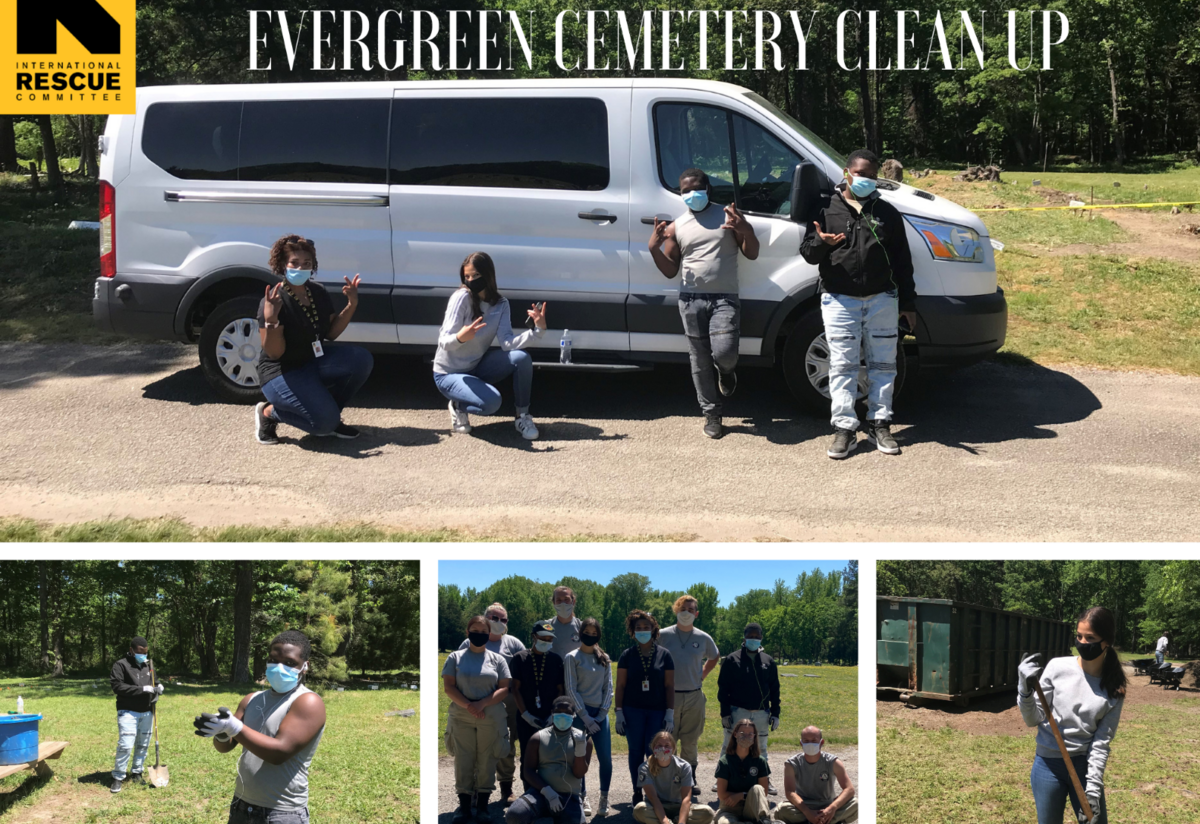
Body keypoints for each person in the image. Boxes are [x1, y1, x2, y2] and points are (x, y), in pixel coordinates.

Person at [798, 149, 917, 459]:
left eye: (871, 175)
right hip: (839, 300)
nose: (866, 179)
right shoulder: (825, 209)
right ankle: (845, 430)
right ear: (847, 173)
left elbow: (903, 262)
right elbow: (808, 253)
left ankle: (880, 423)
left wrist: (909, 303)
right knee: (842, 366)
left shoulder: (886, 212)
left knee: (883, 365)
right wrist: (820, 244)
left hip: (882, 300)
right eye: (861, 173)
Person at [648, 168, 760, 439]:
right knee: (698, 360)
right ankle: (712, 414)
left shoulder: (728, 215)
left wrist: (745, 229)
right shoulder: (677, 226)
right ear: (680, 193)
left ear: (708, 189)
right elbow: (670, 270)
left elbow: (752, 253)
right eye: (685, 190)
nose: (691, 194)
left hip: (725, 299)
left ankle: (727, 371)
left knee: (724, 353)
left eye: (696, 188)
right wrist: (653, 248)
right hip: (690, 301)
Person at [254, 233, 374, 445]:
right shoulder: (273, 299)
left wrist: (352, 304)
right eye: (294, 263)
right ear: (283, 264)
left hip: (310, 362)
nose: (300, 268)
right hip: (281, 373)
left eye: (306, 263)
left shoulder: (317, 292)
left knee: (360, 359)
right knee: (322, 426)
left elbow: (331, 333)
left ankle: (329, 415)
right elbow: (275, 353)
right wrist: (271, 318)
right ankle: (270, 412)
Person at [197, 630, 327, 824]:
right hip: (241, 805)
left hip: (281, 812)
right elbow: (225, 746)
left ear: (304, 667)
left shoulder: (308, 702)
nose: (279, 667)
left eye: (290, 663)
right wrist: (221, 732)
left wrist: (234, 727)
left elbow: (279, 753)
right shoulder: (251, 699)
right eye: (273, 660)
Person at [1017, 606, 1126, 824]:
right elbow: (1032, 719)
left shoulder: (1114, 687)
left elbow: (1101, 742)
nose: (1082, 643)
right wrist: (1024, 689)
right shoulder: (1057, 667)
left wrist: (1093, 790)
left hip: (1084, 768)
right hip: (1047, 765)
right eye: (1079, 636)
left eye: (1090, 638)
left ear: (1107, 642)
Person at [434, 251, 548, 440]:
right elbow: (443, 342)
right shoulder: (461, 297)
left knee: (521, 358)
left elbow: (507, 344)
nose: (471, 280)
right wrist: (461, 337)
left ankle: (523, 417)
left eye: (476, 276)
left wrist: (538, 330)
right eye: (467, 276)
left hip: (475, 366)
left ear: (488, 275)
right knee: (492, 403)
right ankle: (458, 405)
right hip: (448, 374)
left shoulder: (500, 304)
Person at [443, 615, 514, 824]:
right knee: (463, 760)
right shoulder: (455, 657)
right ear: (467, 632)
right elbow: (449, 687)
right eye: (475, 630)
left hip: (490, 715)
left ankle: (483, 807)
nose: (479, 634)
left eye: (484, 632)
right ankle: (464, 807)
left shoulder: (497, 660)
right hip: (462, 716)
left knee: (487, 760)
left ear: (489, 633)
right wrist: (469, 706)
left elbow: (504, 688)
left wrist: (481, 704)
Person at [457, 603, 528, 806]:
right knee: (476, 747)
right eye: (494, 618)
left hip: (508, 704)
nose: (498, 622)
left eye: (503, 619)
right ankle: (473, 791)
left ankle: (506, 787)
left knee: (505, 745)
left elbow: (524, 671)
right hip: (474, 704)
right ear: (485, 618)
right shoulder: (467, 643)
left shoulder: (513, 644)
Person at [658, 595, 719, 799]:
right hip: (669, 696)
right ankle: (669, 778)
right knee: (669, 740)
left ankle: (689, 779)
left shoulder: (703, 637)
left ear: (697, 614)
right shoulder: (663, 635)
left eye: (691, 610)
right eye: (683, 609)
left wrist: (702, 674)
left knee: (691, 741)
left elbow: (714, 657)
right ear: (676, 610)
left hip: (694, 696)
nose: (687, 613)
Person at [615, 609, 676, 807]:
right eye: (638, 628)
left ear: (653, 629)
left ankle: (654, 792)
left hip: (657, 711)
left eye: (646, 627)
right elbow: (621, 685)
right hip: (632, 710)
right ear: (633, 631)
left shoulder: (665, 655)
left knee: (654, 752)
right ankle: (636, 791)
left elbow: (669, 686)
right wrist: (619, 712)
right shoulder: (627, 655)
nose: (642, 630)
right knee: (635, 751)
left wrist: (669, 713)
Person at [506, 696, 593, 824]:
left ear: (574, 715)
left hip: (569, 797)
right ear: (552, 713)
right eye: (558, 712)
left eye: (568, 712)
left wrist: (580, 751)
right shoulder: (537, 738)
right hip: (540, 793)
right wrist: (548, 793)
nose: (563, 716)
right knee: (514, 815)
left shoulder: (583, 739)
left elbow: (579, 774)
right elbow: (528, 771)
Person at [715, 624, 780, 795]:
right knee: (729, 745)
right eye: (750, 636)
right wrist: (725, 713)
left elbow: (775, 689)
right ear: (744, 638)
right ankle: (722, 779)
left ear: (761, 638)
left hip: (761, 713)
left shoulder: (768, 661)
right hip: (738, 711)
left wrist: (776, 713)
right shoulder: (731, 659)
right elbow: (723, 688)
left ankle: (764, 780)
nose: (754, 639)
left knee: (761, 748)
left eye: (757, 636)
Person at [565, 617, 614, 817]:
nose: (590, 636)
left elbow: (608, 688)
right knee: (579, 757)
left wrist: (601, 715)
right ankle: (582, 795)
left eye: (595, 634)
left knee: (606, 759)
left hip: (600, 716)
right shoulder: (572, 657)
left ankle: (604, 797)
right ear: (580, 633)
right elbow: (571, 688)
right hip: (579, 715)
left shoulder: (604, 658)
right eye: (587, 632)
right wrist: (584, 717)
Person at [511, 620, 566, 789]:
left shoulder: (556, 660)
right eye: (543, 638)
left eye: (550, 639)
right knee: (527, 754)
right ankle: (529, 790)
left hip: (549, 717)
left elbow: (560, 689)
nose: (546, 642)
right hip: (527, 716)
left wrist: (553, 715)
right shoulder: (520, 658)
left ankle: (550, 789)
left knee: (549, 755)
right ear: (534, 637)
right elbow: (515, 689)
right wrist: (525, 714)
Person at [109, 636, 164, 793]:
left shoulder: (148, 665)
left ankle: (136, 772)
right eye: (140, 652)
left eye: (145, 653)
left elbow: (155, 681)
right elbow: (117, 687)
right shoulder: (121, 665)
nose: (143, 655)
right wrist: (143, 690)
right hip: (128, 711)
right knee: (126, 744)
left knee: (143, 744)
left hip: (147, 711)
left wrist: (159, 686)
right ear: (132, 650)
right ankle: (118, 777)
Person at [774, 726, 858, 823]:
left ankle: (813, 821)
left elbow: (849, 789)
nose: (810, 743)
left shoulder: (833, 762)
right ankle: (827, 821)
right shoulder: (792, 764)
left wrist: (832, 808)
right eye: (806, 741)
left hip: (828, 804)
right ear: (801, 743)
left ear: (821, 742)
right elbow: (789, 792)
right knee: (781, 810)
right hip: (804, 806)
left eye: (814, 740)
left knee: (857, 804)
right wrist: (807, 812)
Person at [633, 730, 714, 824]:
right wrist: (664, 821)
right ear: (653, 748)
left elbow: (686, 799)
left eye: (667, 746)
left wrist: (682, 822)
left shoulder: (684, 766)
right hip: (655, 806)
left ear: (673, 749)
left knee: (707, 813)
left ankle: (676, 820)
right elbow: (653, 798)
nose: (663, 749)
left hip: (678, 806)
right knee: (639, 810)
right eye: (659, 745)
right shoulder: (644, 767)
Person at [713, 718, 771, 824]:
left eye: (750, 734)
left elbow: (764, 792)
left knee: (758, 788)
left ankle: (764, 820)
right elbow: (721, 794)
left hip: (752, 808)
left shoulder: (760, 761)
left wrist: (741, 795)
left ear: (754, 737)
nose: (746, 736)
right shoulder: (725, 761)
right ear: (735, 734)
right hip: (730, 809)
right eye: (742, 733)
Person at [543, 586, 584, 660]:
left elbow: (593, 651)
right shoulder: (546, 627)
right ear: (554, 603)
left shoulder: (583, 627)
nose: (563, 603)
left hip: (576, 671)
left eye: (566, 599)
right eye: (558, 600)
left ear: (573, 602)